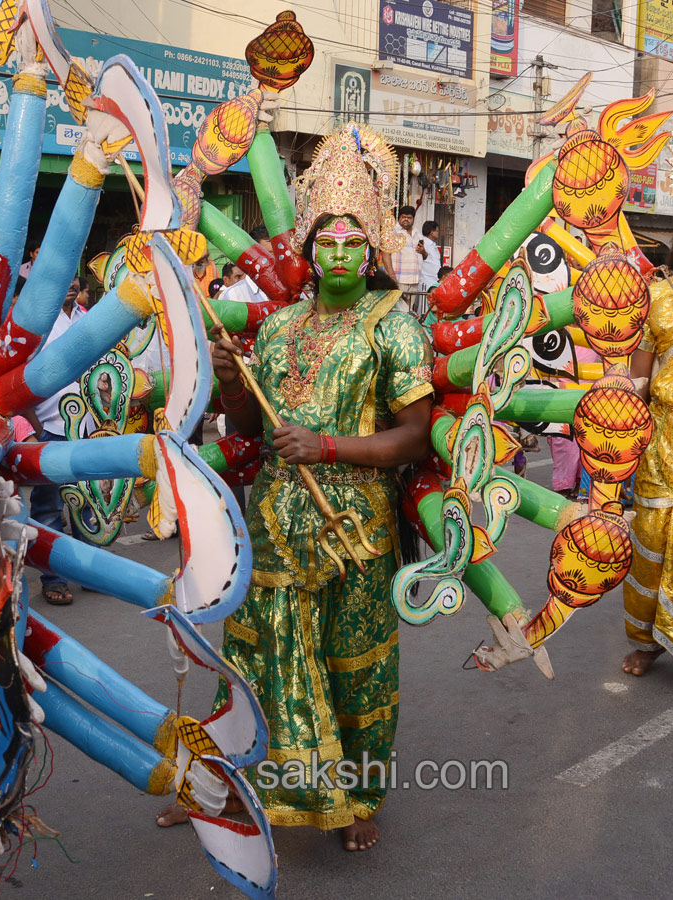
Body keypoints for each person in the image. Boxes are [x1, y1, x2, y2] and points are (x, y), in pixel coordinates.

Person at [161, 126, 433, 851]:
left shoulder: (395, 329)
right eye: (326, 242)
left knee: (354, 668)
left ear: (371, 249)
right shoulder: (277, 329)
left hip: (354, 527)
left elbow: (415, 435)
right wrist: (230, 382)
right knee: (254, 658)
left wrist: (330, 445)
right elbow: (248, 419)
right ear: (309, 251)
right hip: (278, 514)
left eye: (352, 242)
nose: (339, 254)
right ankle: (218, 785)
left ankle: (358, 797)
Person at [25, 277, 89, 604]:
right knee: (49, 506)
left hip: (88, 427)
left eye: (76, 277)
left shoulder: (86, 316)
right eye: (64, 276)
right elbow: (19, 377)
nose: (72, 282)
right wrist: (34, 428)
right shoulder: (36, 324)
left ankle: (91, 571)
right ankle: (54, 578)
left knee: (88, 501)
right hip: (50, 426)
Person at [621, 280, 673, 676]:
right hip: (661, 444)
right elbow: (639, 381)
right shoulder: (657, 299)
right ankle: (646, 642)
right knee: (652, 542)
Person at [388, 204, 419, 291]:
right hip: (399, 279)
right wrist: (391, 275)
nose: (406, 219)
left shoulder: (417, 233)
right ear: (399, 217)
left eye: (409, 218)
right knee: (399, 304)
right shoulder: (393, 232)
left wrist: (423, 252)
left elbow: (424, 256)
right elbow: (386, 254)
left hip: (415, 280)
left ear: (413, 219)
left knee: (410, 305)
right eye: (403, 217)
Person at [418, 219, 441, 288]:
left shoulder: (433, 245)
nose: (438, 233)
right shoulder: (423, 244)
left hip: (434, 280)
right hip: (425, 280)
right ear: (432, 232)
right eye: (437, 231)